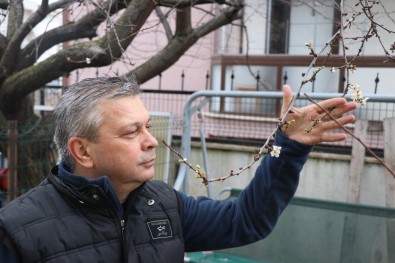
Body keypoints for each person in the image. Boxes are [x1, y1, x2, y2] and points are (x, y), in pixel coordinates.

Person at [0, 77, 357, 262]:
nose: (152, 141)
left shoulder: (165, 205)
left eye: (147, 126)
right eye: (131, 132)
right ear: (82, 150)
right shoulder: (17, 232)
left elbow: (246, 221)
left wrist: (288, 147)